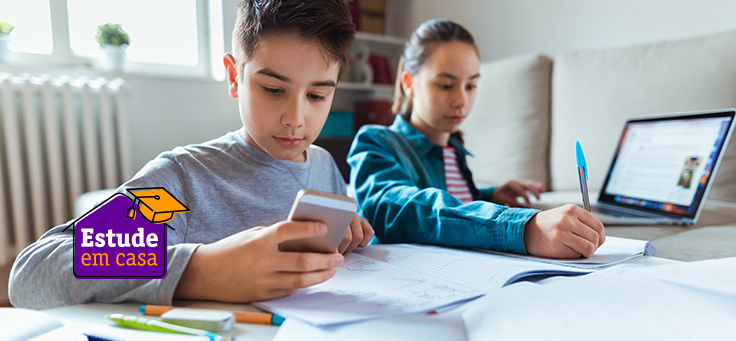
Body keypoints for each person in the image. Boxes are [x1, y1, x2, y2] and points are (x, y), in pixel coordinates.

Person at [9, 0, 374, 309]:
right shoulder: (185, 180)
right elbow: (34, 271)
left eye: (317, 95)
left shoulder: (324, 165)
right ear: (234, 77)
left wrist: (350, 231)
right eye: (273, 89)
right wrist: (199, 269)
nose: (296, 119)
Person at [347, 18, 604, 259]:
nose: (461, 101)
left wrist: (490, 196)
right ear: (408, 83)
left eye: (470, 86)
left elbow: (451, 204)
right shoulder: (376, 141)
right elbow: (401, 208)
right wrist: (523, 228)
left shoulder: (454, 150)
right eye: (446, 85)